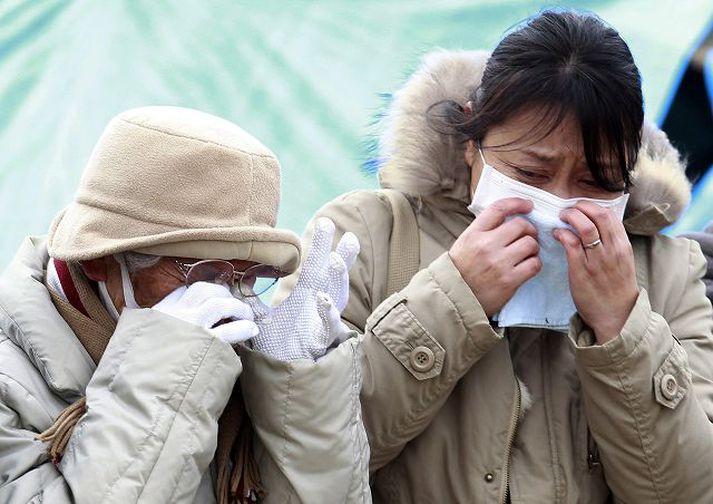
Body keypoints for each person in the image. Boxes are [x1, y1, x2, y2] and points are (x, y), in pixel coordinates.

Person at [277, 10, 713, 503]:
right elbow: (291, 461)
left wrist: (623, 329)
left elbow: (689, 491)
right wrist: (453, 301)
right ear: (472, 143)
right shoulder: (364, 237)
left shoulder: (669, 272)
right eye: (531, 171)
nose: (558, 204)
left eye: (595, 182)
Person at [0, 106, 370, 503]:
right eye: (204, 273)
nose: (228, 300)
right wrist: (164, 372)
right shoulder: (11, 380)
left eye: (247, 277)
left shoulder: (238, 358)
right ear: (98, 260)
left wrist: (298, 394)